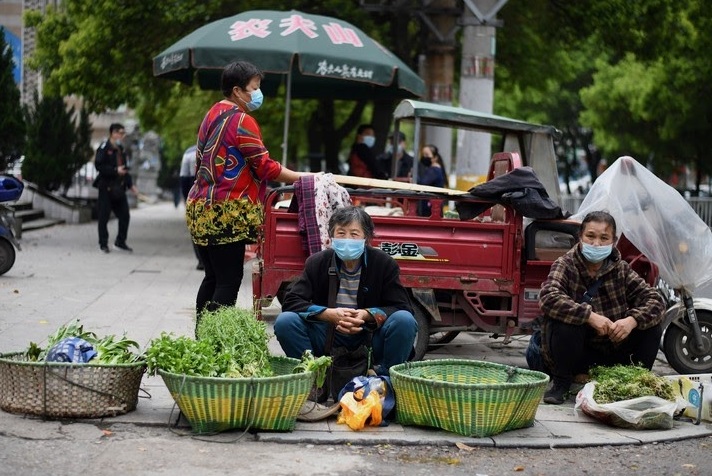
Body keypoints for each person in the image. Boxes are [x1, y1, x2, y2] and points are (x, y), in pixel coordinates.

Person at [185, 60, 306, 324]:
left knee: (212, 276)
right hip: (227, 211)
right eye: (255, 88)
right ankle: (215, 341)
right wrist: (304, 177)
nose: (258, 93)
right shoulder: (243, 120)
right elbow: (265, 167)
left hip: (200, 208)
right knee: (228, 281)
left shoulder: (211, 114)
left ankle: (202, 337)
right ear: (238, 91)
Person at [274, 205, 418, 377]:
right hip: (329, 334)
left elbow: (402, 307)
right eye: (341, 233)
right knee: (285, 322)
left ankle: (385, 378)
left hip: (369, 336)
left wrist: (366, 315)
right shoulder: (318, 262)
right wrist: (328, 314)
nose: (347, 239)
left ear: (366, 237)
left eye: (354, 234)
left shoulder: (384, 264)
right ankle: (312, 375)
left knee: (405, 320)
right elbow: (291, 301)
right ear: (332, 236)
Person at [538, 210, 665, 404]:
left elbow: (655, 300)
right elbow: (548, 297)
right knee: (566, 323)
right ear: (580, 237)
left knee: (652, 325)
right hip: (576, 353)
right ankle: (561, 384)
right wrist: (589, 317)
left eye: (603, 238)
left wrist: (631, 321)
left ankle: (635, 381)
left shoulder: (621, 269)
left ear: (613, 241)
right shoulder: (565, 264)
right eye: (590, 236)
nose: (596, 244)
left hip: (614, 349)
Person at [94, 123, 134, 253]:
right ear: (113, 133)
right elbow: (99, 166)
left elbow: (125, 168)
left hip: (119, 188)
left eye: (123, 133)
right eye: (120, 133)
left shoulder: (121, 149)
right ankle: (103, 243)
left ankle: (120, 241)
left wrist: (130, 184)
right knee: (104, 216)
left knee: (125, 215)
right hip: (106, 187)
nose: (122, 136)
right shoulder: (104, 147)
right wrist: (115, 170)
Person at [179, 145, 203, 270]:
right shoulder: (222, 148)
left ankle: (201, 260)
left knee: (195, 229)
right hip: (213, 196)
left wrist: (185, 197)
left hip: (194, 196)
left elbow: (183, 177)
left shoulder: (190, 152)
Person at [416, 144, 447, 216]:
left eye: (427, 155)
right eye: (423, 154)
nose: (424, 157)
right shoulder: (430, 169)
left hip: (432, 208)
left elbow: (422, 183)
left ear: (435, 158)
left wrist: (415, 176)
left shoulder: (435, 170)